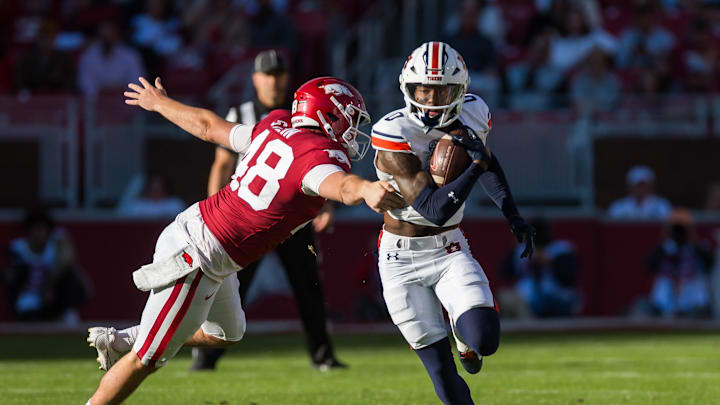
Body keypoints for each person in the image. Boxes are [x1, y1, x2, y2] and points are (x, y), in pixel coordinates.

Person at [84, 75, 404, 405]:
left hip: (200, 235)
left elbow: (210, 126)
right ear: (326, 116)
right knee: (146, 360)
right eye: (347, 118)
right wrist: (366, 189)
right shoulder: (319, 158)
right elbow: (340, 185)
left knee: (225, 333)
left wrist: (161, 103)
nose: (352, 129)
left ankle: (123, 339)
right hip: (200, 256)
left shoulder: (275, 124)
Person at [371, 42, 535, 405]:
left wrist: (512, 214)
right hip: (400, 258)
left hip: (448, 247)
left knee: (485, 339)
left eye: (440, 90)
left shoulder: (474, 112)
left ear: (458, 90)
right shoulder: (393, 133)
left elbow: (487, 161)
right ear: (408, 89)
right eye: (423, 89)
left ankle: (464, 338)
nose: (430, 99)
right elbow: (433, 208)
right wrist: (475, 164)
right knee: (444, 377)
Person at [191, 50, 345, 371]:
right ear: (255, 79)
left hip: (293, 219)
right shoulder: (241, 112)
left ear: (286, 78)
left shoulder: (301, 114)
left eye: (278, 74)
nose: (273, 81)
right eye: (268, 75)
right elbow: (222, 165)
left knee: (309, 288)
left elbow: (318, 162)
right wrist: (221, 211)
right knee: (235, 286)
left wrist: (326, 206)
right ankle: (206, 357)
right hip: (250, 219)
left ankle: (323, 357)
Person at [4, 208, 89, 323]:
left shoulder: (56, 245)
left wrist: (49, 285)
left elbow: (67, 260)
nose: (38, 234)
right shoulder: (18, 248)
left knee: (70, 277)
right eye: (35, 229)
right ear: (28, 231)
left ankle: (63, 314)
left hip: (53, 296)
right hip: (29, 297)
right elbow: (11, 277)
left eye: (42, 229)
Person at [500, 219, 580, 318]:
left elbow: (569, 279)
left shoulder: (561, 250)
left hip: (556, 295)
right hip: (527, 297)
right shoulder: (521, 250)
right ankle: (528, 329)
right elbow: (504, 271)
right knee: (507, 297)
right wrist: (514, 252)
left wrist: (553, 263)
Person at [647, 209, 713, 318]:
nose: (679, 233)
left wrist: (693, 240)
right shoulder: (664, 247)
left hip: (692, 297)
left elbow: (709, 264)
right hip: (665, 297)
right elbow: (649, 265)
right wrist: (665, 240)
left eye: (682, 229)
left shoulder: (698, 246)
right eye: (676, 228)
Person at [608, 165, 672, 219]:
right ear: (630, 186)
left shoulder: (662, 206)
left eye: (644, 185)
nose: (641, 189)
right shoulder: (618, 207)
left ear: (651, 185)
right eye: (638, 185)